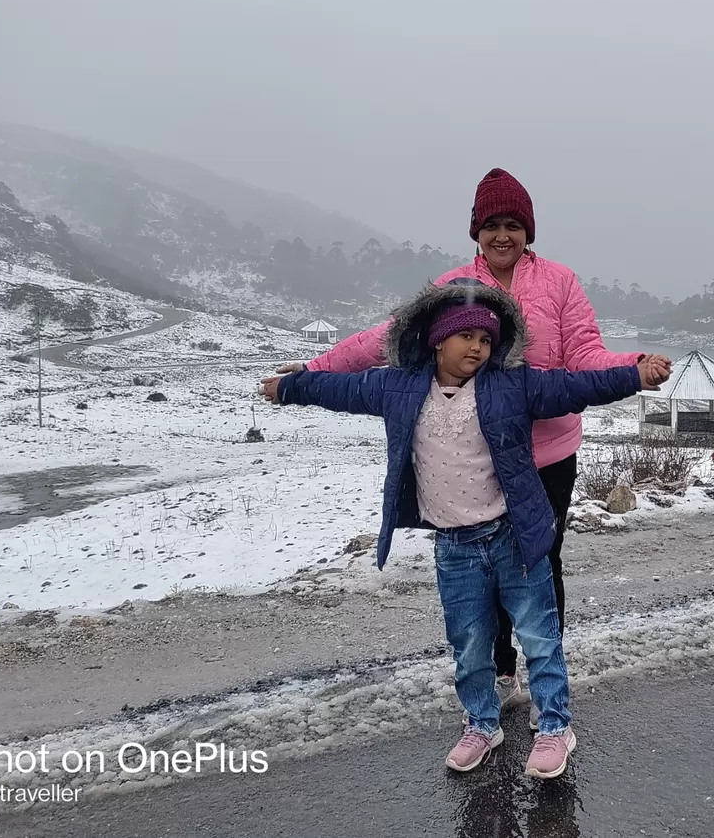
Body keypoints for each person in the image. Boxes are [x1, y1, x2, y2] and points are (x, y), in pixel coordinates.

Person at [268, 167, 671, 724]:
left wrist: (634, 367)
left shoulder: (559, 282)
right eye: (491, 226)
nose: (502, 236)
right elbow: (384, 341)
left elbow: (584, 355)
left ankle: (542, 675)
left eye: (513, 225)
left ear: (529, 231)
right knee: (480, 572)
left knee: (537, 565)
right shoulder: (455, 286)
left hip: (547, 455)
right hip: (476, 458)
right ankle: (501, 672)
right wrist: (312, 370)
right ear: (476, 232)